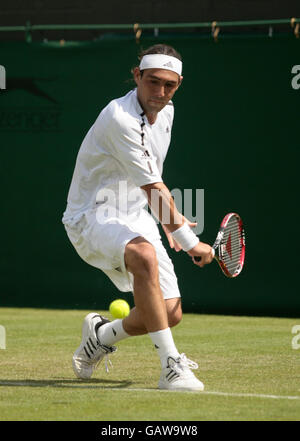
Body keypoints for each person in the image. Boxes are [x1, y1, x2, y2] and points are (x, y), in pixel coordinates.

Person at [62, 44, 214, 391]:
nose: (160, 93)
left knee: (169, 312)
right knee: (143, 255)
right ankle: (171, 367)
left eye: (169, 85)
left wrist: (166, 218)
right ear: (137, 76)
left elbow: (149, 177)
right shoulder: (119, 117)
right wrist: (191, 242)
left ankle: (101, 335)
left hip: (136, 216)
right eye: (153, 82)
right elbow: (153, 188)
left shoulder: (168, 113)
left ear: (178, 85)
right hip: (91, 217)